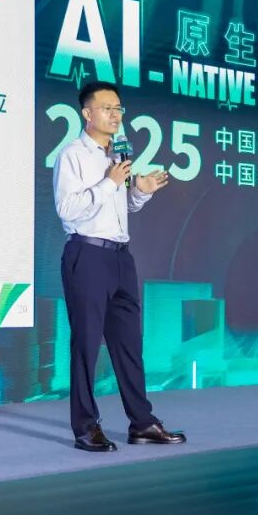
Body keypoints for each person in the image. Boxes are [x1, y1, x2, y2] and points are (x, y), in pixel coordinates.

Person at [53, 80, 186, 451]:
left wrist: (140, 190)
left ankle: (142, 423)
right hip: (87, 255)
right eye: (107, 108)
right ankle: (86, 427)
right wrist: (109, 183)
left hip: (121, 258)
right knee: (86, 345)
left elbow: (122, 207)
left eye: (119, 109)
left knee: (129, 344)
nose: (115, 115)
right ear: (87, 113)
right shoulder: (72, 155)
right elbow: (68, 210)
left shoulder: (117, 156)